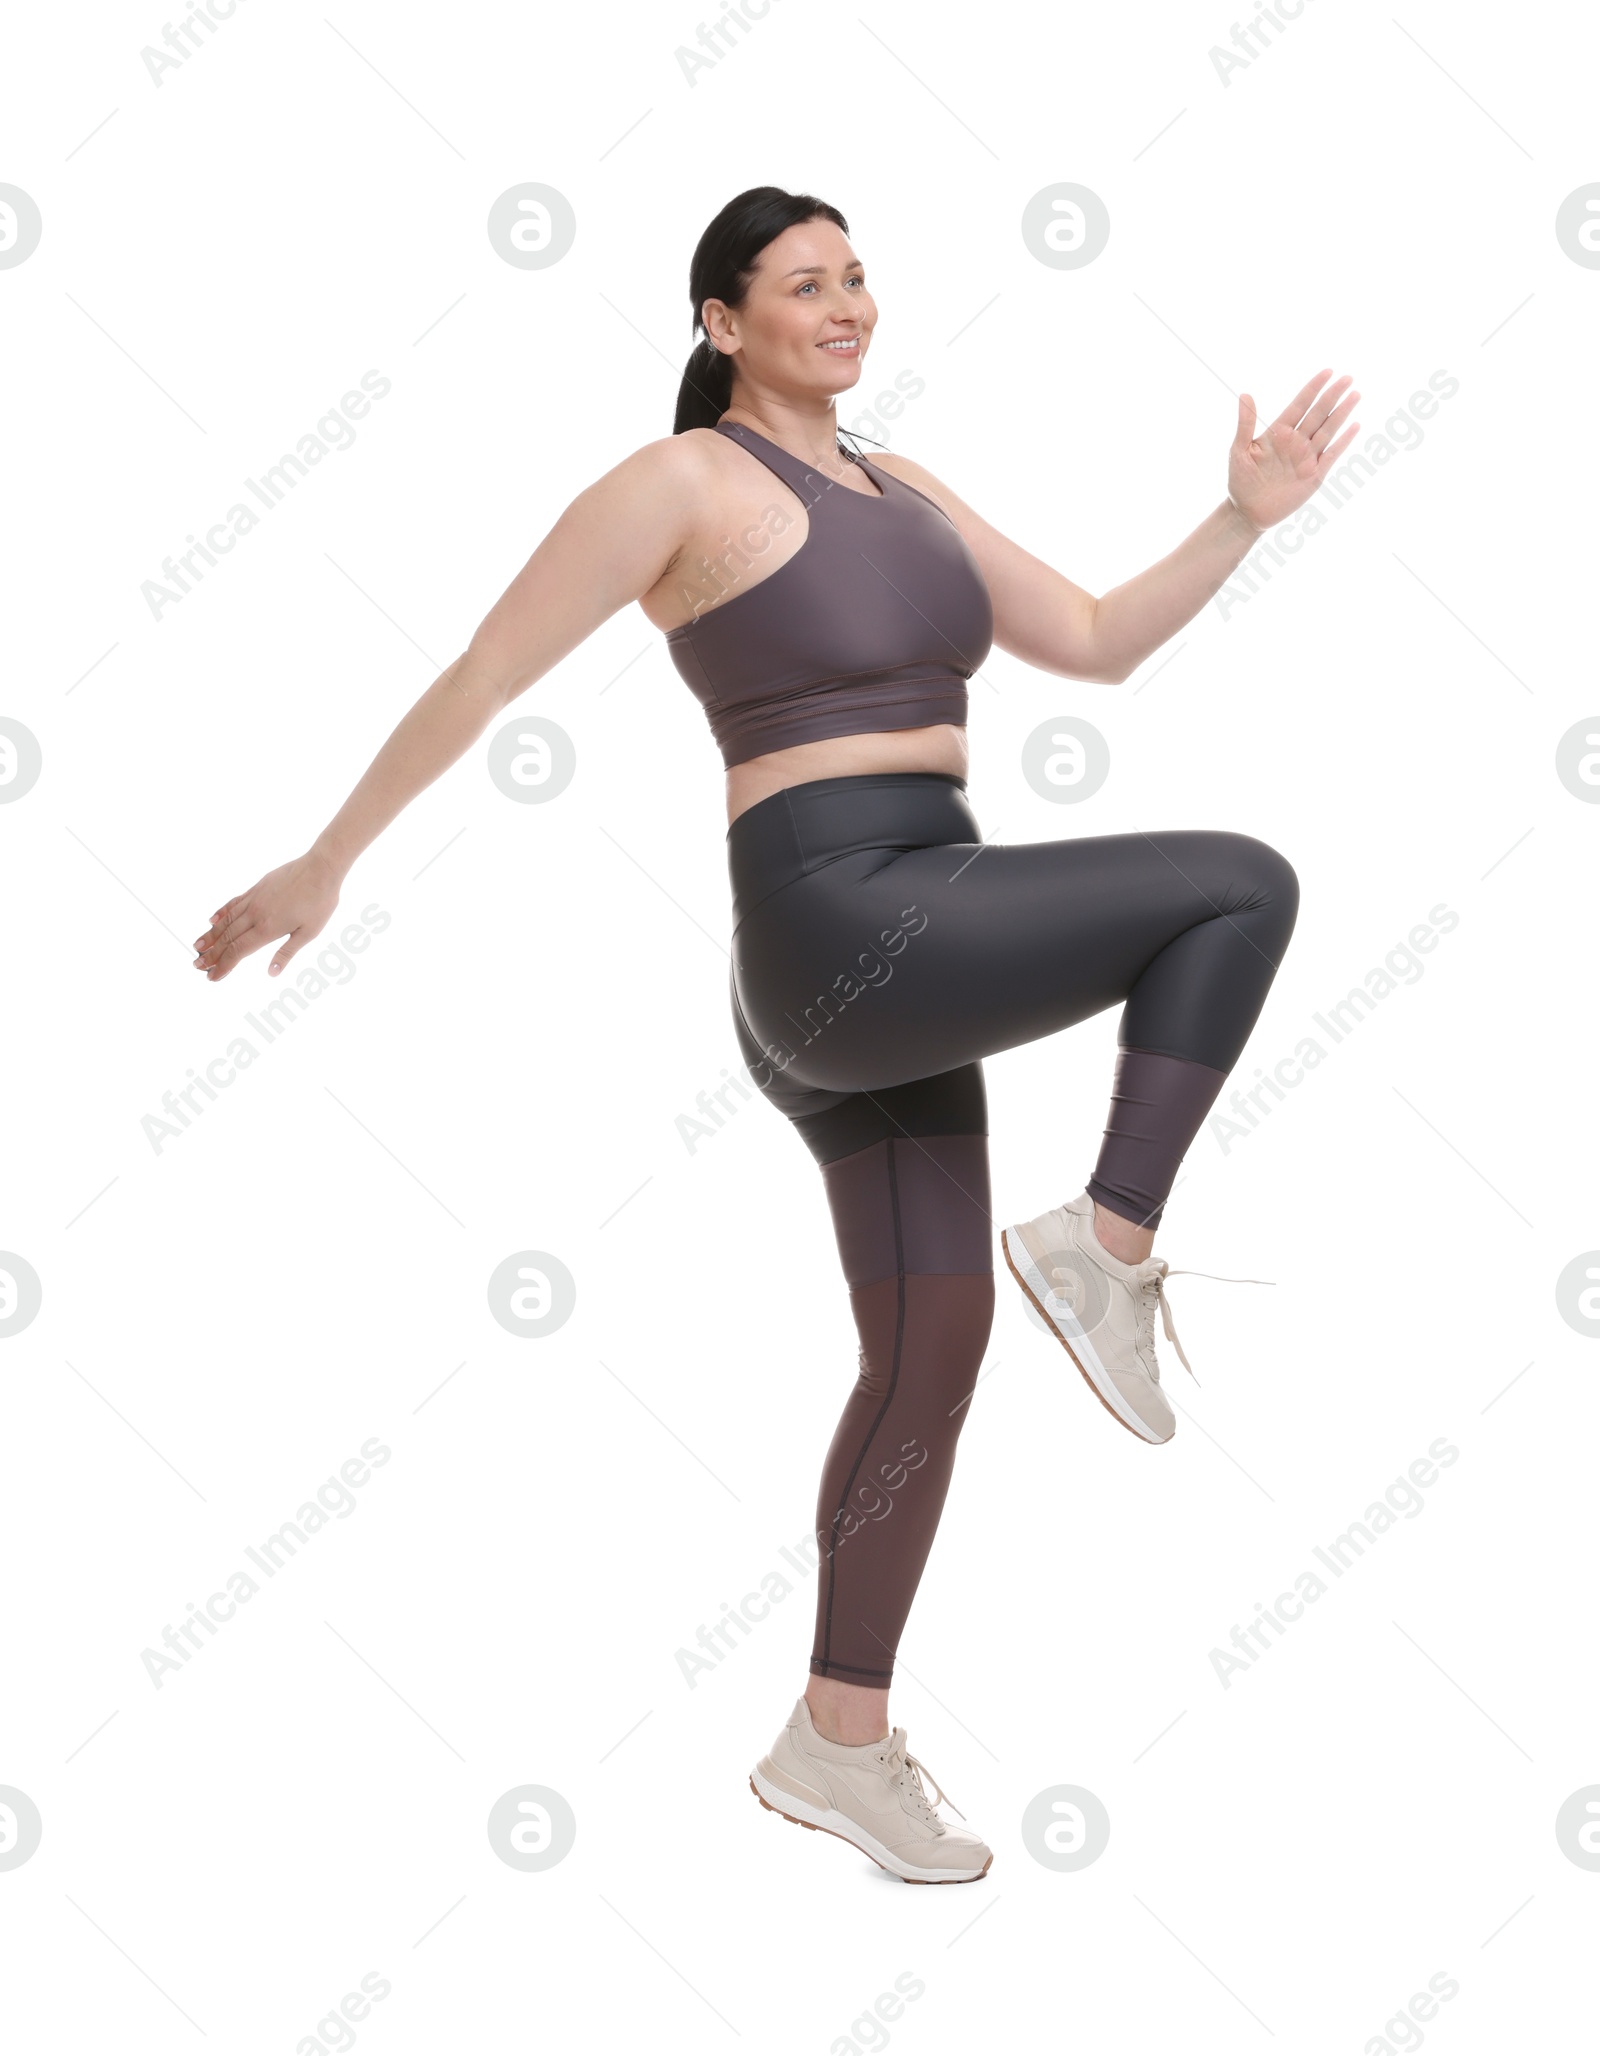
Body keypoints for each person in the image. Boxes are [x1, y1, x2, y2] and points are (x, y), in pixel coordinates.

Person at [192, 184, 1358, 1887]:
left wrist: (1240, 517)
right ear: (722, 324)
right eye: (804, 283)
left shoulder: (909, 485)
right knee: (1238, 886)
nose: (847, 302)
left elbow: (1097, 640)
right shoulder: (685, 485)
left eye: (860, 275)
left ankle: (838, 1739)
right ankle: (1105, 1245)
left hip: (905, 950)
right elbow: (480, 670)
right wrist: (328, 858)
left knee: (930, 1352)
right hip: (836, 922)